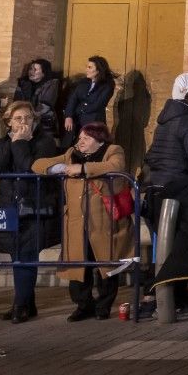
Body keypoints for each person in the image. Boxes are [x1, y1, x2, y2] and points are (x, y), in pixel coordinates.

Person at [32, 122, 131, 321]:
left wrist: (83, 168)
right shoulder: (71, 153)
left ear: (99, 139)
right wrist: (59, 168)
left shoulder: (113, 150)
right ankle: (83, 305)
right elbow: (37, 164)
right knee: (78, 266)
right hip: (76, 222)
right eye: (80, 137)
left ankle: (103, 306)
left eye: (86, 138)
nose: (80, 141)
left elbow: (115, 166)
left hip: (103, 221)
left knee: (106, 266)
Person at [0, 100, 60, 322]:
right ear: (8, 122)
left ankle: (20, 306)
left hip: (34, 207)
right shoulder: (5, 141)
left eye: (28, 118)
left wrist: (20, 143)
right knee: (16, 255)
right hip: (10, 207)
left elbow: (29, 165)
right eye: (18, 118)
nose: (24, 122)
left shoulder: (44, 143)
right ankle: (27, 303)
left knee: (26, 255)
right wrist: (12, 142)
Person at [62, 56, 116, 140]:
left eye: (90, 67)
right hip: (76, 120)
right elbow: (73, 99)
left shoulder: (107, 85)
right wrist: (68, 116)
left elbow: (98, 104)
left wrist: (80, 109)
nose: (86, 70)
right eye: (87, 67)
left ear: (98, 70)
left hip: (93, 122)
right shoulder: (83, 82)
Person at [16, 58, 62, 136]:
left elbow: (44, 107)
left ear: (44, 73)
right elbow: (16, 102)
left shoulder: (51, 84)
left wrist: (27, 118)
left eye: (35, 70)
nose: (31, 72)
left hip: (44, 122)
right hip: (24, 120)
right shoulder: (23, 83)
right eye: (30, 69)